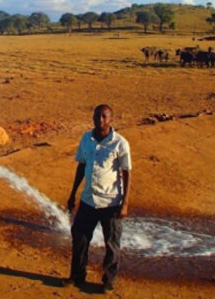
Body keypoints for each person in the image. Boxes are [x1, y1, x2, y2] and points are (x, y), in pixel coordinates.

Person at [61, 104, 132, 293]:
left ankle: (108, 281)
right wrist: (72, 194)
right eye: (96, 116)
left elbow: (127, 173)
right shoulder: (86, 139)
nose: (99, 119)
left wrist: (125, 203)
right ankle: (77, 276)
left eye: (104, 116)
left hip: (111, 203)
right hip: (88, 200)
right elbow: (81, 166)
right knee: (80, 238)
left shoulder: (120, 143)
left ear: (110, 119)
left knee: (112, 244)